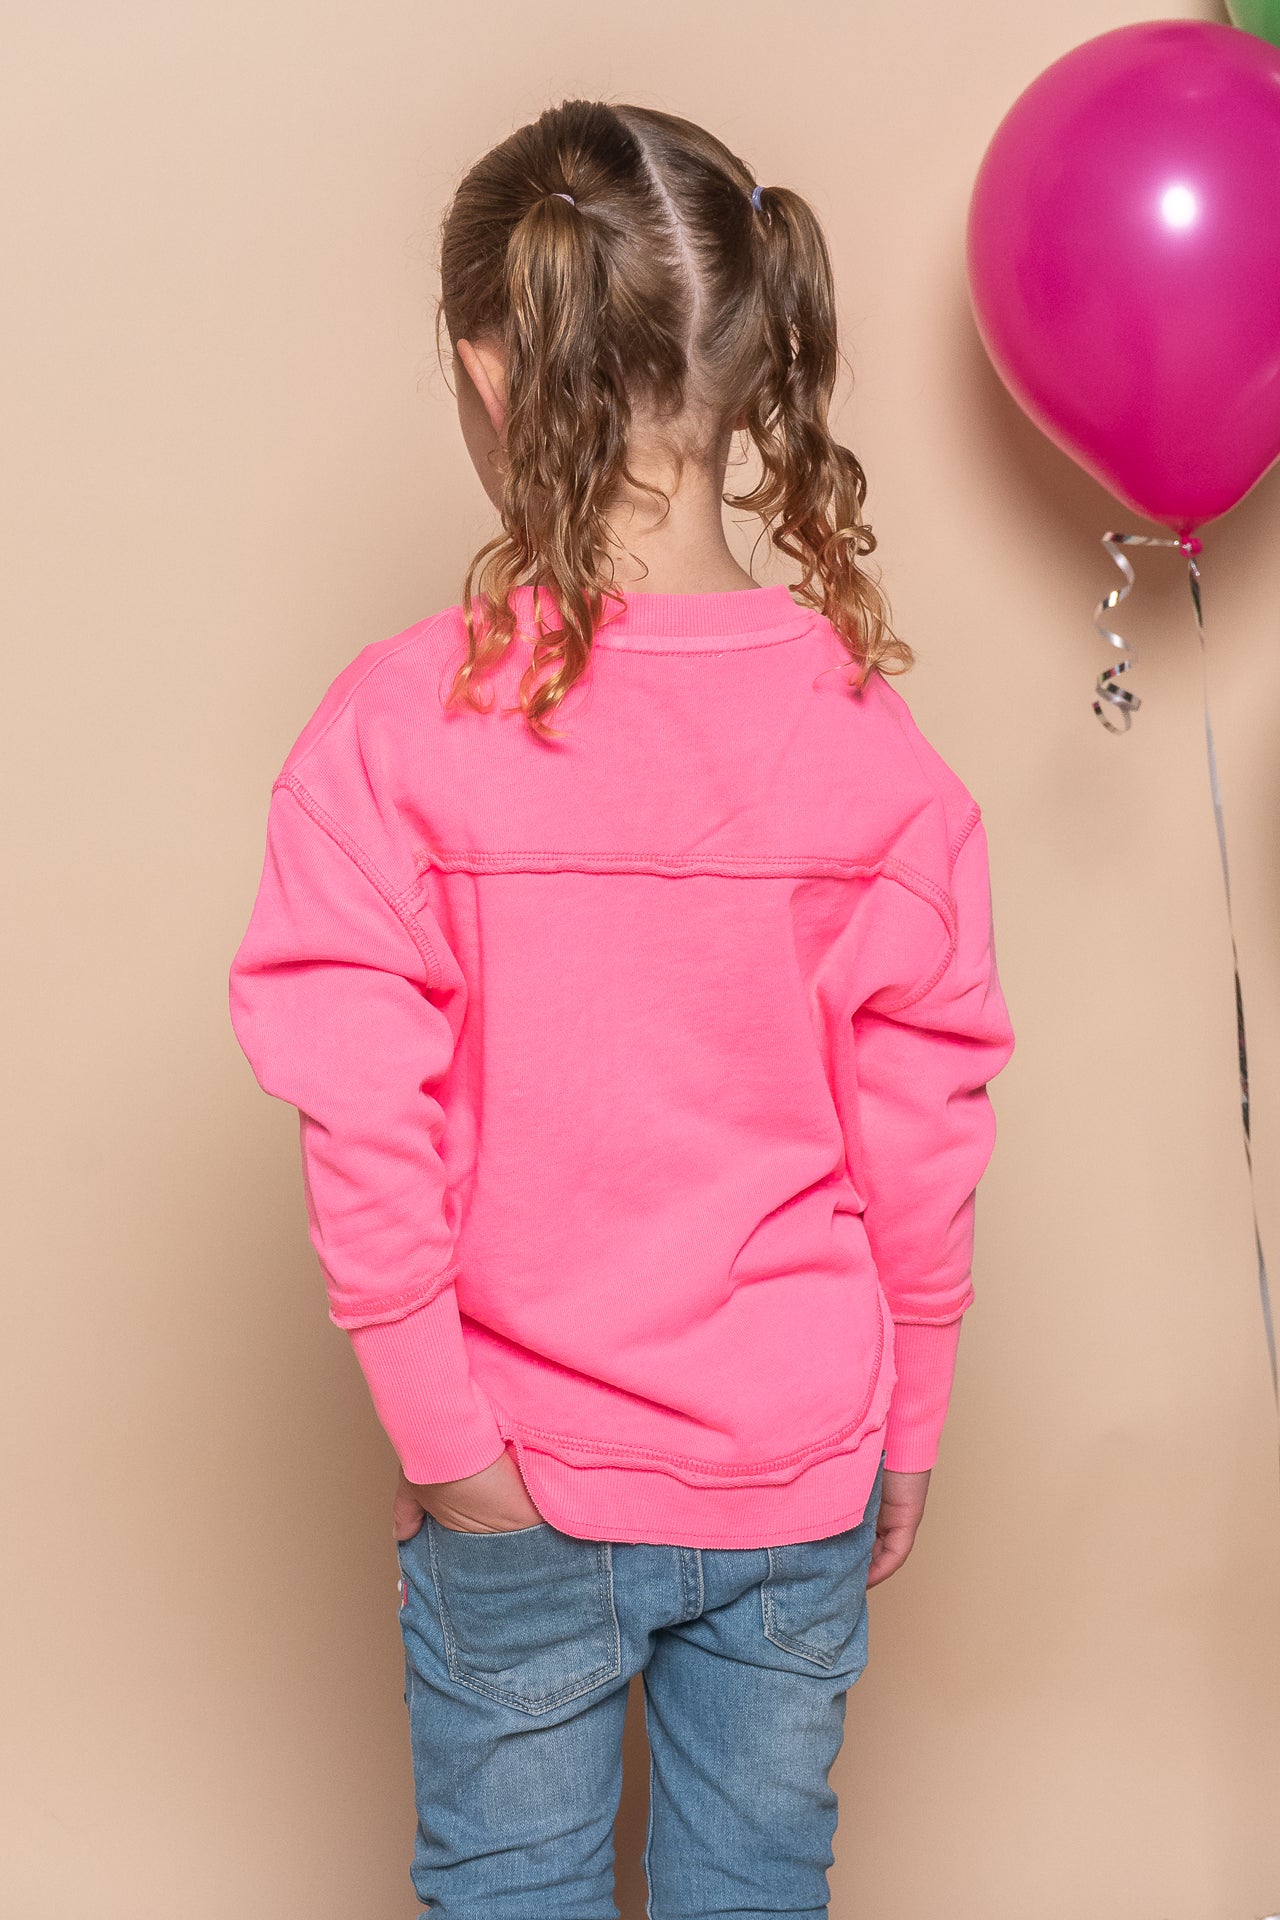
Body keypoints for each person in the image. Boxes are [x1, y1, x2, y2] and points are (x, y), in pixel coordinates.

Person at [228, 97, 1016, 1920]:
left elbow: (363, 1123)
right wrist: (910, 1421)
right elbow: (927, 1131)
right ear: (752, 366)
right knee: (758, 1891)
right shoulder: (871, 747)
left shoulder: (393, 730)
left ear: (489, 374)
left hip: (517, 1468)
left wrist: (446, 1442)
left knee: (512, 1894)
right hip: (801, 1458)